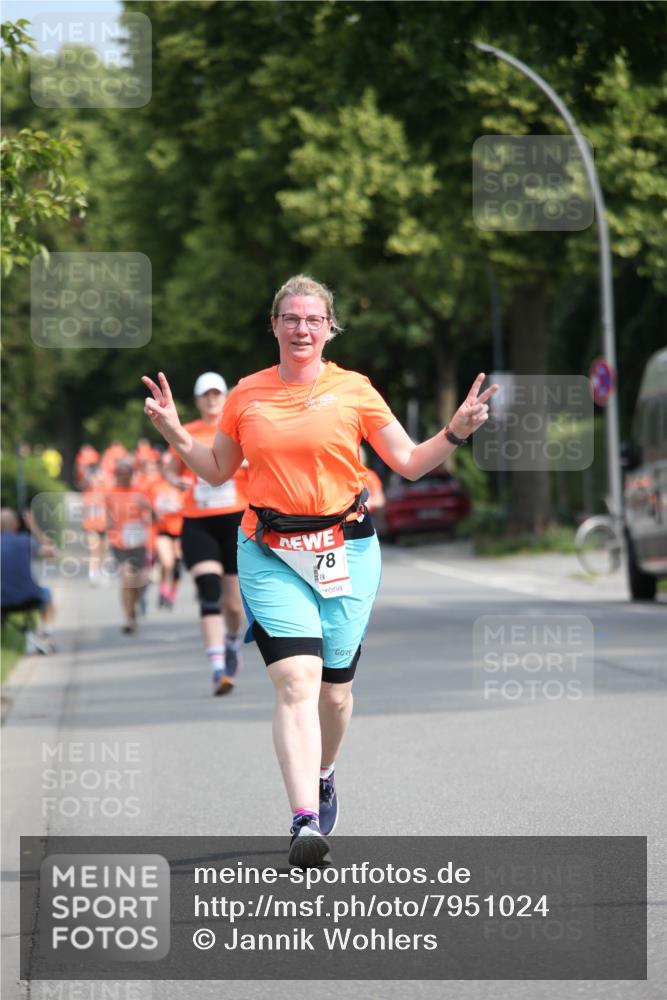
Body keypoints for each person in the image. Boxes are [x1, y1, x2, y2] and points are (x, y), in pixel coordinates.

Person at [142, 274, 496, 867]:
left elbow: (408, 463)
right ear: (274, 326)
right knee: (296, 683)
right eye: (291, 318)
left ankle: (325, 772)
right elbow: (215, 470)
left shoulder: (355, 390)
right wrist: (176, 432)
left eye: (313, 320)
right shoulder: (247, 395)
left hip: (347, 552)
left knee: (335, 693)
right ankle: (305, 819)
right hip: (270, 551)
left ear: (329, 328)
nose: (302, 329)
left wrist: (455, 431)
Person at [164, 373, 248, 695]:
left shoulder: (239, 428)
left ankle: (231, 641)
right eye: (206, 395)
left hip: (236, 519)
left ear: (225, 396)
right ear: (198, 400)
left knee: (234, 605)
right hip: (198, 520)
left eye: (217, 393)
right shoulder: (188, 432)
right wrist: (178, 482)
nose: (212, 399)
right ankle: (217, 669)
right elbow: (171, 471)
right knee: (208, 589)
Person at [105, 460, 153, 634]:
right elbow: (107, 519)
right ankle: (129, 619)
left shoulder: (140, 492)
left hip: (138, 543)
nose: (123, 477)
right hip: (119, 543)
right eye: (120, 474)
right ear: (116, 475)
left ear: (132, 474)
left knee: (138, 582)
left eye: (126, 474)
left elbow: (154, 517)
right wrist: (109, 528)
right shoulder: (110, 494)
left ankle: (138, 601)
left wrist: (148, 508)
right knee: (126, 579)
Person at [1, 507, 56, 653]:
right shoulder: (26, 541)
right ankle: (46, 631)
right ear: (16, 524)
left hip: (2, 601)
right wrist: (34, 528)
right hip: (31, 597)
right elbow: (51, 552)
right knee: (47, 592)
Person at [148, 452, 184, 609]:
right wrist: (154, 512)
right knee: (166, 562)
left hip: (180, 531)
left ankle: (172, 594)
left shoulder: (182, 484)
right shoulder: (155, 486)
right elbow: (148, 508)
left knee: (176, 565)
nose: (166, 467)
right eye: (163, 464)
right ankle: (163, 589)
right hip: (162, 530)